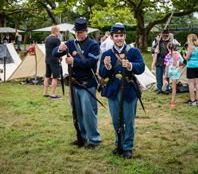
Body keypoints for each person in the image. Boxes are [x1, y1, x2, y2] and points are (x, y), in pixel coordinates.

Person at [52, 18, 101, 149]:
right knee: (77, 113)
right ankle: (81, 136)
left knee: (89, 113)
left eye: (80, 32)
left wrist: (74, 62)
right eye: (76, 32)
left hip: (87, 84)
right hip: (73, 84)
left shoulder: (93, 45)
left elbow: (91, 62)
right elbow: (54, 54)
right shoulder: (71, 43)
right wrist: (59, 48)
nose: (78, 34)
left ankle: (94, 139)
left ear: (86, 30)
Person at [99, 24, 145, 159]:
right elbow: (102, 74)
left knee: (128, 120)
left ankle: (128, 147)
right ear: (112, 37)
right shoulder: (107, 54)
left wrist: (130, 65)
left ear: (125, 36)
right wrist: (107, 66)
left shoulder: (134, 52)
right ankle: (119, 143)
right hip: (113, 90)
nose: (119, 38)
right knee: (116, 120)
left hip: (129, 89)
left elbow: (141, 67)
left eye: (121, 36)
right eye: (116, 36)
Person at [43, 26, 62, 99]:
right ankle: (53, 94)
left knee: (47, 76)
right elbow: (59, 50)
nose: (59, 33)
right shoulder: (56, 40)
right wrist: (60, 57)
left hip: (47, 59)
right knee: (55, 77)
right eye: (59, 32)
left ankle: (45, 93)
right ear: (56, 32)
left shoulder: (46, 39)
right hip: (54, 60)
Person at [163, 42, 184, 106]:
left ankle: (165, 81)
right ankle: (172, 102)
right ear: (174, 47)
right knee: (174, 87)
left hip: (169, 71)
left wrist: (165, 75)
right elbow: (182, 62)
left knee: (165, 79)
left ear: (167, 47)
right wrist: (177, 65)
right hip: (175, 72)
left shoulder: (167, 56)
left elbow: (166, 66)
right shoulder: (178, 54)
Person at [152, 29, 171, 95]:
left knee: (166, 77)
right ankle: (159, 89)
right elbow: (152, 48)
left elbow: (174, 51)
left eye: (165, 36)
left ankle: (166, 90)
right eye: (163, 35)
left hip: (166, 62)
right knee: (158, 76)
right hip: (158, 61)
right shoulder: (159, 42)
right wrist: (155, 50)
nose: (164, 37)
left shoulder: (170, 43)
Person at [182, 34, 198, 105]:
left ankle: (192, 100)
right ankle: (197, 99)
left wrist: (184, 56)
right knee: (197, 83)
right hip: (197, 66)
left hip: (191, 67)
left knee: (191, 83)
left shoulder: (190, 47)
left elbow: (187, 58)